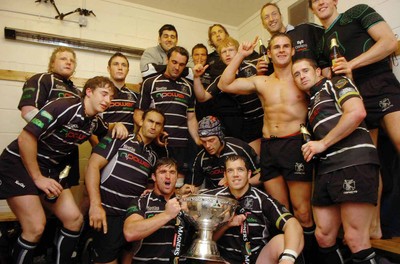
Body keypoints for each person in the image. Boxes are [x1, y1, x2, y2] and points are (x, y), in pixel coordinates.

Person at [218, 33, 315, 260]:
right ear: (269, 53)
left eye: (285, 46)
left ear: (293, 51)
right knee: (280, 211)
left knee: (302, 211)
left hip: (295, 144)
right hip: (269, 147)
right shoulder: (263, 81)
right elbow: (224, 83)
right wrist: (241, 54)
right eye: (276, 47)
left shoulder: (302, 78)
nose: (281, 50)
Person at [0, 76, 116, 263]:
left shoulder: (94, 121)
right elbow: (25, 138)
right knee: (36, 227)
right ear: (89, 92)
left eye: (111, 97)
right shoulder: (64, 106)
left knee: (74, 220)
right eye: (103, 94)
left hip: (49, 168)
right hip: (17, 164)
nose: (107, 100)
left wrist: (117, 126)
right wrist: (37, 178)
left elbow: (108, 132)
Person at [309, 0, 400, 240]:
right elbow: (326, 75)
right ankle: (375, 227)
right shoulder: (320, 43)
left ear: (335, 1)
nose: (320, 2)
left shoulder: (358, 11)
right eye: (314, 1)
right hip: (354, 97)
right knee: (373, 162)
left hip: (381, 83)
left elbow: (389, 42)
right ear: (312, 9)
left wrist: (352, 64)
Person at [292, 58, 382, 263]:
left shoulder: (335, 83)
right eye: (296, 74)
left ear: (317, 71)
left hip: (353, 161)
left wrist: (322, 143)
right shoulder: (311, 104)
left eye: (305, 70)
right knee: (322, 236)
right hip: (327, 168)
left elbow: (357, 112)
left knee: (355, 238)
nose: (301, 76)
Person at [85, 108, 165, 264]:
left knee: (127, 258)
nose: (153, 126)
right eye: (150, 121)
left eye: (158, 124)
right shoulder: (120, 137)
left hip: (132, 218)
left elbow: (150, 186)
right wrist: (95, 205)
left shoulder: (153, 156)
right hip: (108, 214)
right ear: (141, 121)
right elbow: (92, 166)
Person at [202, 155, 304, 264]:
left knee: (283, 240)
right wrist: (226, 224)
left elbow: (292, 224)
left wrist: (287, 259)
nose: (235, 175)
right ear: (225, 175)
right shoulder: (214, 198)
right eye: (230, 171)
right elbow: (204, 239)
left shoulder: (262, 199)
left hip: (258, 259)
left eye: (240, 170)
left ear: (249, 174)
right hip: (224, 260)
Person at [17, 46, 83, 189]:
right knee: (38, 190)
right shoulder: (42, 79)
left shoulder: (77, 91)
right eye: (63, 58)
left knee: (59, 191)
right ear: (52, 63)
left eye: (72, 60)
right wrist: (55, 135)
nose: (68, 62)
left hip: (67, 153)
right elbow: (27, 111)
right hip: (44, 150)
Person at [134, 46, 200, 185]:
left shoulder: (188, 87)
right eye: (174, 62)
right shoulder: (150, 83)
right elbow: (138, 114)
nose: (177, 67)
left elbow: (191, 118)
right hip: (155, 145)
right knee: (152, 184)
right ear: (166, 60)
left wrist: (198, 140)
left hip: (181, 146)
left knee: (177, 186)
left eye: (181, 64)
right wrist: (152, 133)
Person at [193, 36, 263, 154]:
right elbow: (202, 97)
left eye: (230, 50)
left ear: (238, 50)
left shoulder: (253, 65)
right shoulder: (223, 78)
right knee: (254, 158)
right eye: (224, 52)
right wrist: (196, 77)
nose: (227, 54)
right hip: (249, 123)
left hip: (266, 116)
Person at [123, 157, 188, 263]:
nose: (168, 177)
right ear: (154, 177)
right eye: (162, 172)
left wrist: (190, 212)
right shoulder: (141, 201)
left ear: (177, 177)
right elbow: (130, 233)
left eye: (172, 172)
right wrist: (167, 214)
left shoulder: (186, 203)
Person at [180, 116, 260, 195]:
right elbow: (194, 187)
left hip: (246, 194)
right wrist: (187, 191)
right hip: (218, 199)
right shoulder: (201, 157)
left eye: (211, 140)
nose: (208, 145)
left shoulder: (240, 148)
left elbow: (262, 175)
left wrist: (237, 183)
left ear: (220, 136)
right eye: (204, 142)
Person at [258, 3, 324, 75]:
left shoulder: (305, 29)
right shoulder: (269, 53)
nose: (271, 19)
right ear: (263, 24)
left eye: (274, 14)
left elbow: (329, 35)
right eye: (266, 17)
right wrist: (260, 72)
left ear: (281, 16)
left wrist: (325, 68)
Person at [101, 52, 138, 133]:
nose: (120, 68)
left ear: (128, 70)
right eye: (116, 64)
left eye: (124, 65)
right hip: (105, 143)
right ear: (108, 69)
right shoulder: (100, 94)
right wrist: (97, 145)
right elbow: (91, 124)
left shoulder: (135, 96)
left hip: (127, 144)